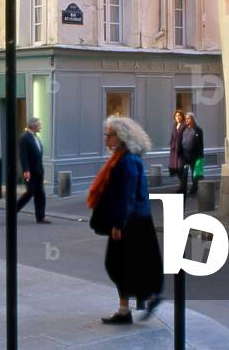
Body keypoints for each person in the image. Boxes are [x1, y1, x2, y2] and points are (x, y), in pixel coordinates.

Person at [86, 116, 163, 324]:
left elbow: (127, 195)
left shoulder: (126, 161)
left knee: (117, 263)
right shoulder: (123, 158)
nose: (106, 139)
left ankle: (138, 302)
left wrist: (118, 224)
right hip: (136, 219)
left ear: (120, 137)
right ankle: (128, 307)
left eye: (109, 135)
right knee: (130, 264)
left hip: (131, 222)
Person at [17, 117, 50, 224]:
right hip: (30, 172)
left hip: (39, 171)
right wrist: (26, 170)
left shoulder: (36, 137)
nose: (41, 126)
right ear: (33, 125)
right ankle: (13, 210)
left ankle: (41, 217)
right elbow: (23, 156)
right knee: (30, 192)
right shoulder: (24, 138)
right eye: (39, 124)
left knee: (40, 193)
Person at [179, 111, 204, 195]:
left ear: (193, 119)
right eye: (186, 118)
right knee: (184, 174)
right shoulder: (184, 129)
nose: (186, 120)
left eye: (188, 118)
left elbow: (201, 144)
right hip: (185, 156)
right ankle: (183, 190)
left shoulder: (198, 130)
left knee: (195, 175)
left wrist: (200, 157)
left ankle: (194, 190)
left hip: (195, 156)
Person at [168, 109, 185, 180]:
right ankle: (181, 184)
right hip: (174, 149)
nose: (177, 117)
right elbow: (172, 136)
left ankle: (182, 185)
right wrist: (171, 144)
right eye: (176, 116)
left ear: (182, 116)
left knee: (180, 167)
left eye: (179, 115)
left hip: (181, 149)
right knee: (175, 167)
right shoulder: (174, 125)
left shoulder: (184, 125)